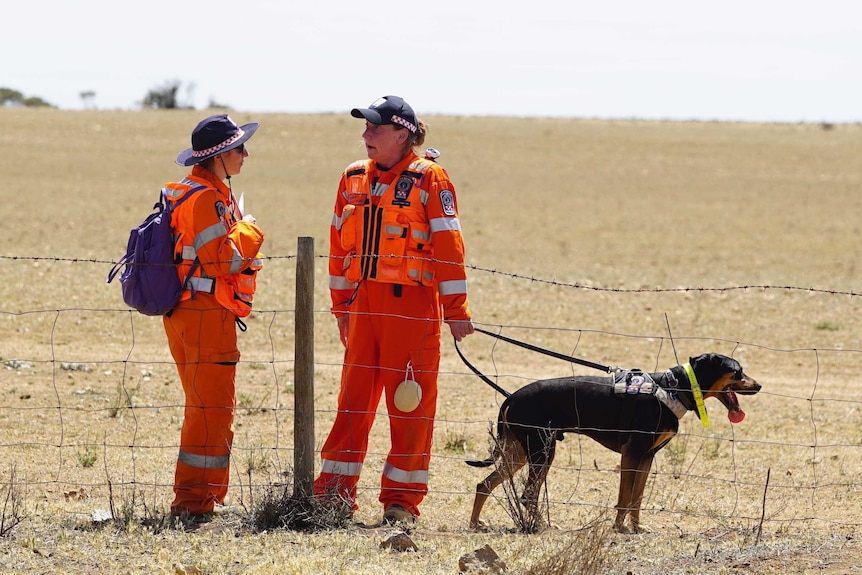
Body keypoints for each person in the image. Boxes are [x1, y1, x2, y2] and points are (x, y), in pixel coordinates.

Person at [314, 95, 474, 525]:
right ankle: (332, 497)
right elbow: (337, 247)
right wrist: (341, 306)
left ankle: (401, 502)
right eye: (365, 129)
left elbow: (449, 247)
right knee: (352, 403)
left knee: (410, 406)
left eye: (375, 129)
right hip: (364, 307)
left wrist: (455, 308)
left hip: (413, 310)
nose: (366, 136)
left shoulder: (430, 179)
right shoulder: (350, 178)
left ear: (402, 134)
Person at [163, 114, 265, 520]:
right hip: (204, 313)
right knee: (210, 411)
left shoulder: (188, 191)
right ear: (221, 155)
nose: (245, 154)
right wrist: (251, 230)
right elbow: (223, 261)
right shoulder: (206, 198)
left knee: (205, 408)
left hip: (186, 312)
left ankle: (206, 498)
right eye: (239, 148)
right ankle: (192, 503)